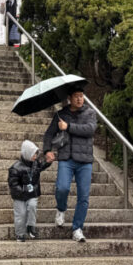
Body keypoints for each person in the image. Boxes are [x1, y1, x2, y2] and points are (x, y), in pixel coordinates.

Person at [43, 89, 97, 243]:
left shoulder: (90, 113)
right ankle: (61, 209)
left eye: (82, 96)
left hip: (85, 160)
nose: (80, 99)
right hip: (66, 158)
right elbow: (49, 134)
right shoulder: (61, 115)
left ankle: (77, 228)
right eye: (77, 96)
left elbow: (90, 130)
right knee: (62, 188)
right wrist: (47, 150)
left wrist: (68, 127)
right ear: (69, 98)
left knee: (83, 197)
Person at [8, 140, 50, 242]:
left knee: (32, 206)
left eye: (36, 154)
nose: (35, 156)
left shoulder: (35, 163)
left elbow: (41, 166)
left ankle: (31, 226)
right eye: (33, 154)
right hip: (19, 195)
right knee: (21, 214)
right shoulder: (15, 168)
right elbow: (13, 185)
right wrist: (24, 189)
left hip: (32, 193)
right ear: (27, 154)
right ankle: (20, 234)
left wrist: (48, 162)